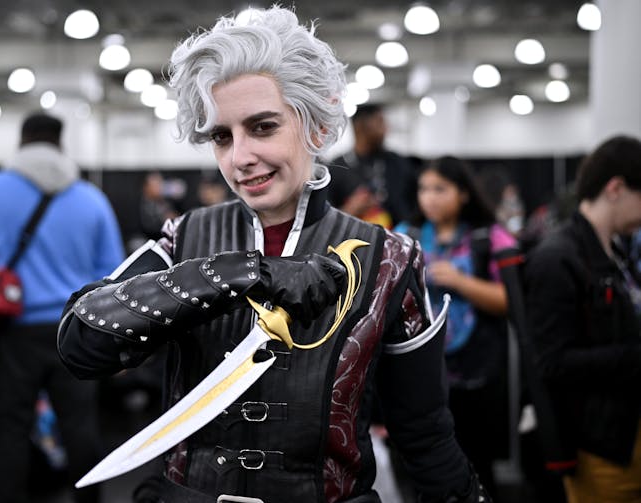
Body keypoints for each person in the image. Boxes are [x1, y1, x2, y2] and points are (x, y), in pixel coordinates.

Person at [57, 7, 489, 503]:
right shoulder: (185, 236)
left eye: (262, 127)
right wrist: (234, 273)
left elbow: (427, 437)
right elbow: (80, 345)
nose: (239, 157)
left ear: (318, 127)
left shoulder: (389, 259)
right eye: (222, 135)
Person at [0, 112, 125, 503]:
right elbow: (112, 269)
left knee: (10, 428)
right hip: (76, 331)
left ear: (21, 142)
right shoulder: (90, 198)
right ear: (61, 145)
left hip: (11, 330)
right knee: (80, 426)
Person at [523, 135, 641, 503]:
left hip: (625, 431)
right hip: (599, 444)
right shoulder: (557, 258)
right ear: (616, 188)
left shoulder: (616, 251)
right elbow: (553, 362)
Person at [394, 157, 517, 497]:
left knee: (477, 462)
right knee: (423, 469)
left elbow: (511, 301)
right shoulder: (405, 236)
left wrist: (461, 282)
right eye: (423, 189)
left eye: (439, 189)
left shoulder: (490, 237)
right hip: (421, 376)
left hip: (477, 375)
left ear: (463, 193)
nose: (429, 197)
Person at [328, 103, 416, 227]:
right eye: (380, 122)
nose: (386, 128)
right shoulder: (337, 168)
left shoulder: (398, 163)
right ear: (360, 127)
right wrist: (349, 210)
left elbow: (411, 207)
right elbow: (325, 219)